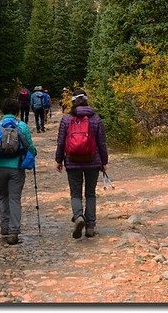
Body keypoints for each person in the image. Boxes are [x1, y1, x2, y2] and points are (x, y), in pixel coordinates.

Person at [55, 88, 108, 239]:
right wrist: (104, 161)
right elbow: (102, 143)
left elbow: (60, 142)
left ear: (73, 102)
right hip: (92, 161)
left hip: (72, 161)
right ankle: (90, 226)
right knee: (90, 194)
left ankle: (78, 217)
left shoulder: (66, 119)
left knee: (75, 193)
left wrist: (59, 160)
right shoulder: (95, 118)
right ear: (86, 100)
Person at [0, 98, 37, 245]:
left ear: (2, 111)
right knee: (15, 198)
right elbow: (30, 147)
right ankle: (14, 231)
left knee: (3, 195)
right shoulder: (22, 126)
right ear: (17, 111)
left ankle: (4, 227)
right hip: (16, 168)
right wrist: (33, 155)